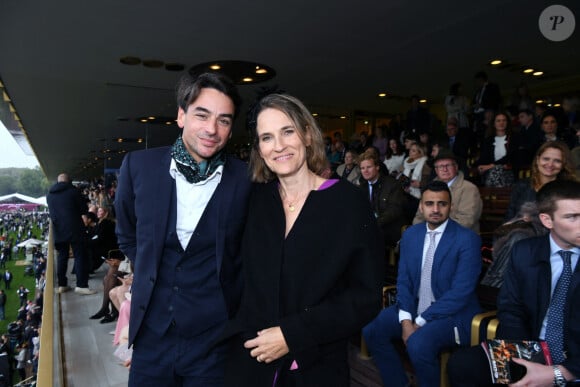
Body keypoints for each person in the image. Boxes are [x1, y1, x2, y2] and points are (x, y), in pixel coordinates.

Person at [223, 93, 384, 387]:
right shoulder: (254, 201)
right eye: (267, 137)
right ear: (259, 148)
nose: (279, 146)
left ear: (307, 135)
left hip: (317, 368)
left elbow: (365, 297)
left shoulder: (349, 204)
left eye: (288, 131)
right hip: (250, 363)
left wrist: (293, 333)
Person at [115, 72, 252, 386]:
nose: (211, 129)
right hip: (151, 336)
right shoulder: (138, 166)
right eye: (202, 115)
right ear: (181, 115)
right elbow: (127, 233)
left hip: (215, 340)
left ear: (231, 130)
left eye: (224, 120)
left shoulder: (246, 180)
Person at [448, 179, 580, 386]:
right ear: (547, 220)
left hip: (575, 360)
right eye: (572, 217)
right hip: (532, 346)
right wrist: (525, 359)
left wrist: (561, 372)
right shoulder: (525, 251)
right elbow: (510, 308)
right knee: (463, 364)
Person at [363, 180, 482, 386]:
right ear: (421, 206)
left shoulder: (467, 239)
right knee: (372, 329)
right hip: (416, 307)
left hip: (453, 315)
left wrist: (417, 322)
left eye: (442, 204)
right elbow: (405, 280)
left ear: (451, 206)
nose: (435, 209)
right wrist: (407, 319)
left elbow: (460, 293)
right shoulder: (411, 234)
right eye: (429, 203)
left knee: (418, 343)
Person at [46, 173, 95, 294]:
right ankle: (81, 285)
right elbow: (83, 209)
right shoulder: (73, 191)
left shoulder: (49, 195)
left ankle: (62, 285)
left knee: (62, 257)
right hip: (75, 229)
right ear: (69, 182)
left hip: (58, 230)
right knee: (80, 256)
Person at [413, 150, 482, 233]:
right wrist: (417, 233)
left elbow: (466, 221)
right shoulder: (429, 189)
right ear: (436, 170)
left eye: (448, 165)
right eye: (440, 166)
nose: (444, 169)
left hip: (459, 238)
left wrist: (435, 232)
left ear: (456, 167)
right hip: (430, 235)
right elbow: (419, 216)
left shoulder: (469, 188)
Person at [506, 141, 577, 220]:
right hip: (521, 231)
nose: (550, 164)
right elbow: (509, 217)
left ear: (564, 164)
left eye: (557, 161)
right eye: (546, 159)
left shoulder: (570, 190)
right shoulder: (522, 186)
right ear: (537, 160)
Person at [359, 148, 409, 247]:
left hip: (389, 228)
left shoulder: (392, 184)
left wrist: (372, 224)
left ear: (377, 167)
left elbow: (394, 211)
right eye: (362, 168)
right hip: (369, 228)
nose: (365, 171)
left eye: (369, 167)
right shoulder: (361, 187)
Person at [476, 111, 515, 187]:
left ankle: (492, 195)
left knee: (496, 171)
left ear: (507, 123)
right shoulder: (488, 140)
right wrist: (479, 166)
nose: (501, 123)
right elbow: (484, 157)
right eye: (498, 121)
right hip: (489, 172)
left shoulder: (514, 138)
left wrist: (493, 166)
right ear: (494, 123)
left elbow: (512, 156)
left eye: (504, 120)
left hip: (508, 171)